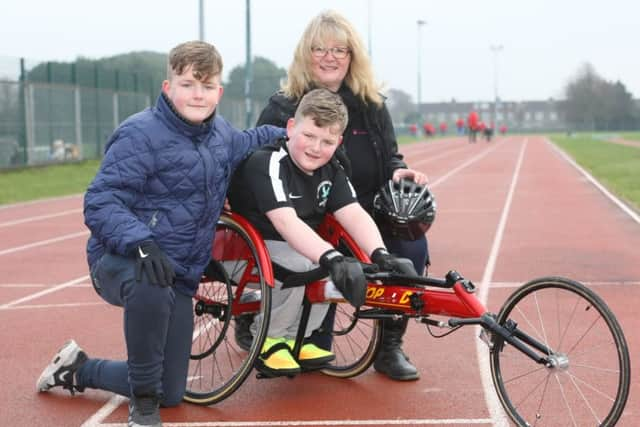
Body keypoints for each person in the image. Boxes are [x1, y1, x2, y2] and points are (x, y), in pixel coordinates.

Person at [35, 40, 284, 427]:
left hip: (178, 275)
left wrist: (299, 136)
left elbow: (254, 138)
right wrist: (141, 243)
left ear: (219, 92)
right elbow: (100, 201)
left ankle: (78, 369)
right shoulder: (140, 134)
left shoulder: (222, 135)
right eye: (187, 84)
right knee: (149, 287)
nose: (196, 95)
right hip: (120, 261)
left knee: (172, 390)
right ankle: (143, 407)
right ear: (168, 87)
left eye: (206, 87)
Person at [250, 10, 430, 381]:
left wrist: (399, 171)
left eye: (339, 49)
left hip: (358, 204)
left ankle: (389, 345)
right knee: (313, 253)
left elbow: (391, 154)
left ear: (352, 56)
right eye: (320, 48)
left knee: (410, 248)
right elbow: (262, 165)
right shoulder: (282, 105)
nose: (330, 57)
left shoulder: (371, 103)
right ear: (306, 53)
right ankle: (271, 322)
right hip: (306, 213)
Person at [229, 88, 416, 376]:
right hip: (242, 248)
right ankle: (271, 338)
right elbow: (285, 222)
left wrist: (380, 254)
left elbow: (352, 211)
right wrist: (331, 257)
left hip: (293, 244)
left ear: (338, 141)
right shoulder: (268, 161)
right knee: (306, 264)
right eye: (309, 136)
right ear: (291, 127)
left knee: (328, 265)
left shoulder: (332, 166)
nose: (316, 148)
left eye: (327, 141)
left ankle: (303, 335)